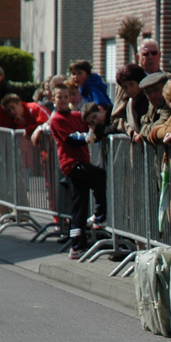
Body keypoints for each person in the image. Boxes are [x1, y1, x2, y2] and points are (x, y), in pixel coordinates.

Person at [48, 84, 107, 259]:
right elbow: (72, 139)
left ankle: (77, 245)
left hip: (82, 161)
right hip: (71, 164)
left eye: (67, 97)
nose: (64, 100)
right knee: (100, 175)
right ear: (54, 99)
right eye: (60, 97)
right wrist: (87, 137)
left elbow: (90, 125)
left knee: (79, 205)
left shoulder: (76, 115)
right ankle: (99, 214)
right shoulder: (56, 119)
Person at [111, 63, 149, 139]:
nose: (129, 90)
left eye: (132, 84)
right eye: (125, 87)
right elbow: (117, 119)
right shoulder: (129, 102)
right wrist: (131, 131)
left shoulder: (149, 99)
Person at [136, 71, 171, 141]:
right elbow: (143, 124)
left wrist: (145, 130)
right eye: (148, 92)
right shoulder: (152, 106)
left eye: (156, 90)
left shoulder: (170, 105)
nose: (153, 95)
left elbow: (159, 127)